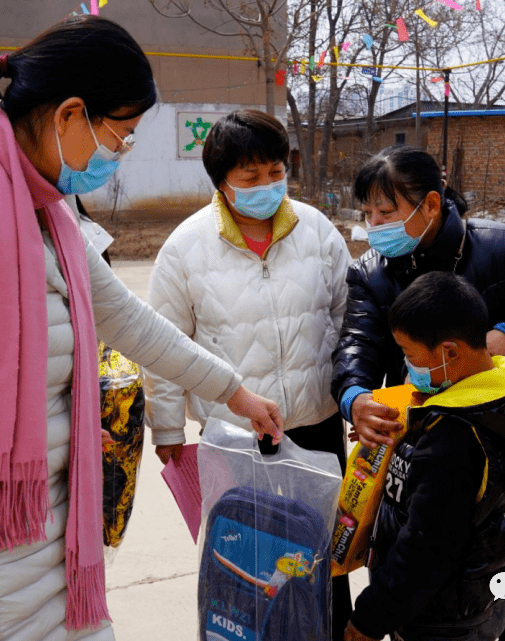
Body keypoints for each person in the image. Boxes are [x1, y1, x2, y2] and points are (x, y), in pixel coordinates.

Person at [0, 16, 282, 641]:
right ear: (70, 114)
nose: (119, 157)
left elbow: (123, 314)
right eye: (119, 137)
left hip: (32, 542)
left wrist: (232, 389)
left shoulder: (40, 203)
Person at [332, 145, 505, 640]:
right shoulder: (372, 271)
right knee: (427, 536)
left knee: (498, 535)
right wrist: (356, 396)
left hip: (499, 430)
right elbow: (358, 344)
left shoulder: (504, 248)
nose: (374, 225)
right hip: (425, 432)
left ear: (432, 205)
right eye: (367, 213)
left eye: (387, 211)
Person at [143, 108, 352, 639]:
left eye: (276, 172)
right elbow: (164, 345)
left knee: (324, 556)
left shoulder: (318, 231)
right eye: (250, 176)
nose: (267, 186)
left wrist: (354, 394)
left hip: (316, 426)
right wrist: (167, 427)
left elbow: (350, 317)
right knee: (243, 558)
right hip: (235, 436)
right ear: (221, 182)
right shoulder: (185, 248)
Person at [343, 272, 505, 641]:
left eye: (409, 354)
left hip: (440, 617)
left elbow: (425, 551)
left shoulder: (451, 439)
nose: (407, 364)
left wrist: (370, 619)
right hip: (491, 591)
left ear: (451, 352)